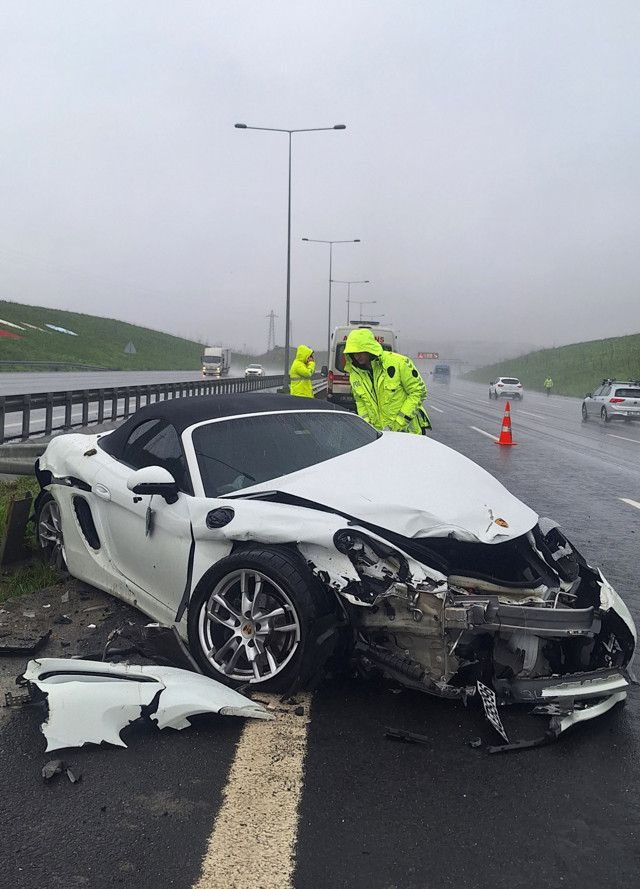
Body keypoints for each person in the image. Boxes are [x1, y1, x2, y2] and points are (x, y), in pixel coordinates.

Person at [343, 327, 431, 433]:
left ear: (369, 349)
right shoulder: (355, 374)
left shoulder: (399, 363)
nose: (357, 356)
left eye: (360, 351)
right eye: (353, 353)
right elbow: (360, 401)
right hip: (380, 435)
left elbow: (418, 392)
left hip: (408, 434)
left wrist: (399, 422)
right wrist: (366, 423)